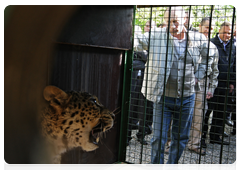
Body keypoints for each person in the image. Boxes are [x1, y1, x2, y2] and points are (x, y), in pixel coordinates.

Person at [135, 6, 216, 170]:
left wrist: (199, 74)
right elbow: (137, 42)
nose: (171, 26)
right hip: (162, 97)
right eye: (167, 21)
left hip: (187, 97)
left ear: (185, 20)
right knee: (158, 136)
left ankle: (171, 167)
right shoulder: (157, 36)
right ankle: (156, 166)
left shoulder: (198, 38)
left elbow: (211, 56)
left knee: (181, 137)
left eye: (175, 21)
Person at [187, 17, 219, 155]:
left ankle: (194, 144)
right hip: (186, 81)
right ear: (199, 26)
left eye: (211, 28)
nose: (208, 30)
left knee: (199, 115)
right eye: (206, 27)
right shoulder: (188, 41)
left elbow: (215, 70)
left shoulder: (213, 47)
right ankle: (171, 143)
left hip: (203, 83)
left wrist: (211, 88)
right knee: (179, 112)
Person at [203, 22, 238, 145]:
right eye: (225, 32)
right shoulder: (211, 43)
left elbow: (235, 65)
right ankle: (202, 137)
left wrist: (233, 82)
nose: (227, 35)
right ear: (219, 30)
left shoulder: (233, 46)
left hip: (225, 84)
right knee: (207, 111)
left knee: (221, 112)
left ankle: (215, 136)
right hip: (212, 83)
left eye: (229, 33)